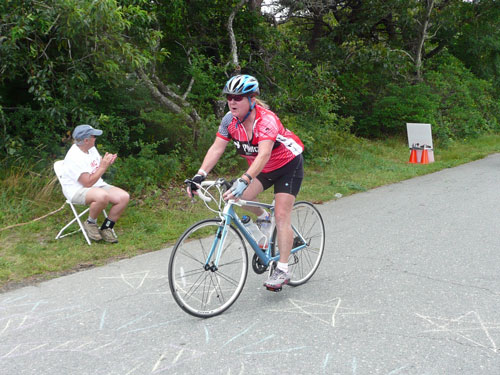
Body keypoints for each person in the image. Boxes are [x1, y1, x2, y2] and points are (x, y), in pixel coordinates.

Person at [186, 74, 304, 290]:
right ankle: (263, 218)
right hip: (263, 169)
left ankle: (283, 269)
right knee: (235, 196)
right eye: (230, 96)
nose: (232, 101)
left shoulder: (266, 120)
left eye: (238, 97)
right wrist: (199, 175)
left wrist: (244, 179)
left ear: (252, 99)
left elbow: (264, 154)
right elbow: (217, 148)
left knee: (282, 214)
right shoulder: (229, 121)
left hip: (288, 166)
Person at [60, 124, 130, 243]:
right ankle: (90, 223)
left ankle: (107, 227)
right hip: (77, 190)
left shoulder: (91, 149)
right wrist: (103, 167)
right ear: (86, 140)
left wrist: (107, 162)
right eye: (94, 136)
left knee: (123, 197)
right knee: (102, 196)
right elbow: (87, 182)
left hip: (97, 185)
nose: (95, 138)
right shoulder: (74, 157)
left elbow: (97, 166)